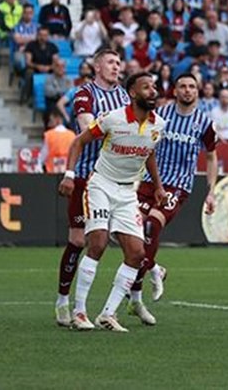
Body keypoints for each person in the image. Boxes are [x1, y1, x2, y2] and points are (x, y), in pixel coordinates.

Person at [62, 72, 167, 332]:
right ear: (133, 93)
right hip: (100, 185)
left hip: (127, 193)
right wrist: (69, 175)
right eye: (146, 87)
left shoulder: (159, 125)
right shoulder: (113, 118)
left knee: (137, 253)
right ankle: (79, 312)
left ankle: (108, 314)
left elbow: (149, 153)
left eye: (154, 87)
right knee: (97, 242)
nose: (152, 91)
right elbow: (78, 141)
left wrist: (158, 186)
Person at [129, 73, 219, 320]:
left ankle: (132, 290)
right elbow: (146, 147)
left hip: (178, 187)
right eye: (183, 86)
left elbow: (211, 157)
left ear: (198, 92)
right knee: (127, 235)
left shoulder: (204, 123)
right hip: (148, 182)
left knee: (150, 226)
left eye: (192, 87)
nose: (188, 90)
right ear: (175, 91)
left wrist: (211, 191)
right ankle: (155, 269)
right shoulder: (160, 116)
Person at [53, 48, 130, 327]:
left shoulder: (123, 95)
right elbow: (88, 125)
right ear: (97, 66)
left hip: (114, 177)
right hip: (86, 175)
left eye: (118, 63)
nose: (116, 67)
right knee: (77, 240)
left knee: (125, 240)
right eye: (110, 62)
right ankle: (63, 300)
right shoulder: (85, 93)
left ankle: (125, 302)